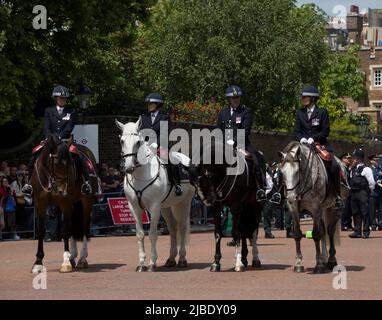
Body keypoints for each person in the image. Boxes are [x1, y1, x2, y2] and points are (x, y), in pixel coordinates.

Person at [22, 85, 92, 199]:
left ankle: (86, 183)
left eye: (65, 98)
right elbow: (46, 127)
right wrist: (51, 137)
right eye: (61, 98)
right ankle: (28, 184)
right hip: (50, 140)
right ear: (56, 98)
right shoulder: (49, 111)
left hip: (64, 141)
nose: (63, 100)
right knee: (35, 155)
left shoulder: (71, 111)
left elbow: (69, 127)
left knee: (79, 157)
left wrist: (59, 138)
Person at [294, 85, 344, 209]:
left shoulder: (322, 112)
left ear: (312, 98)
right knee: (287, 163)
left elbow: (325, 131)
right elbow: (296, 131)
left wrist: (314, 138)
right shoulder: (300, 113)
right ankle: (283, 194)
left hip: (320, 144)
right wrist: (301, 139)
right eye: (302, 96)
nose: (302, 98)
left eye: (305, 96)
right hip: (303, 145)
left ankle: (337, 195)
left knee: (334, 166)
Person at [217, 85, 266, 201]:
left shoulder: (245, 112)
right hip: (224, 145)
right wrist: (224, 141)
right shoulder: (223, 113)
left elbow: (245, 130)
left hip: (242, 144)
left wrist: (233, 140)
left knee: (257, 160)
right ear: (229, 99)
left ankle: (260, 189)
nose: (236, 100)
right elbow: (218, 129)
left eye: (238, 97)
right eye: (233, 98)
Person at [140, 92, 183, 196]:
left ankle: (177, 184)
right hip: (146, 146)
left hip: (161, 145)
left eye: (151, 104)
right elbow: (141, 132)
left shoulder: (164, 117)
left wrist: (157, 144)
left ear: (158, 105)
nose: (149, 106)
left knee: (170, 159)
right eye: (148, 104)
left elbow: (164, 134)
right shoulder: (143, 117)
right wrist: (145, 144)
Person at [348, 148, 375, 238]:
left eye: (355, 157)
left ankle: (366, 231)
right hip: (354, 192)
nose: (353, 159)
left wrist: (367, 192)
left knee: (365, 212)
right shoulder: (352, 168)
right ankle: (357, 231)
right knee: (355, 212)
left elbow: (371, 183)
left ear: (359, 158)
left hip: (362, 192)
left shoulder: (366, 169)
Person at [339, 153, 353, 231]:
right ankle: (344, 225)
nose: (348, 160)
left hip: (349, 190)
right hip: (344, 190)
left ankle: (349, 224)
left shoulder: (347, 167)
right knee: (345, 208)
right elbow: (342, 180)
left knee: (349, 209)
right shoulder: (341, 167)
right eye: (347, 158)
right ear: (343, 159)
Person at [368, 154, 382, 231]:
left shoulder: (380, 168)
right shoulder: (369, 169)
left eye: (377, 160)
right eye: (375, 160)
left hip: (380, 192)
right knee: (372, 210)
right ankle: (373, 224)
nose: (377, 161)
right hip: (373, 192)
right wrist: (377, 183)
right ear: (371, 161)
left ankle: (380, 224)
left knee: (380, 209)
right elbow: (370, 180)